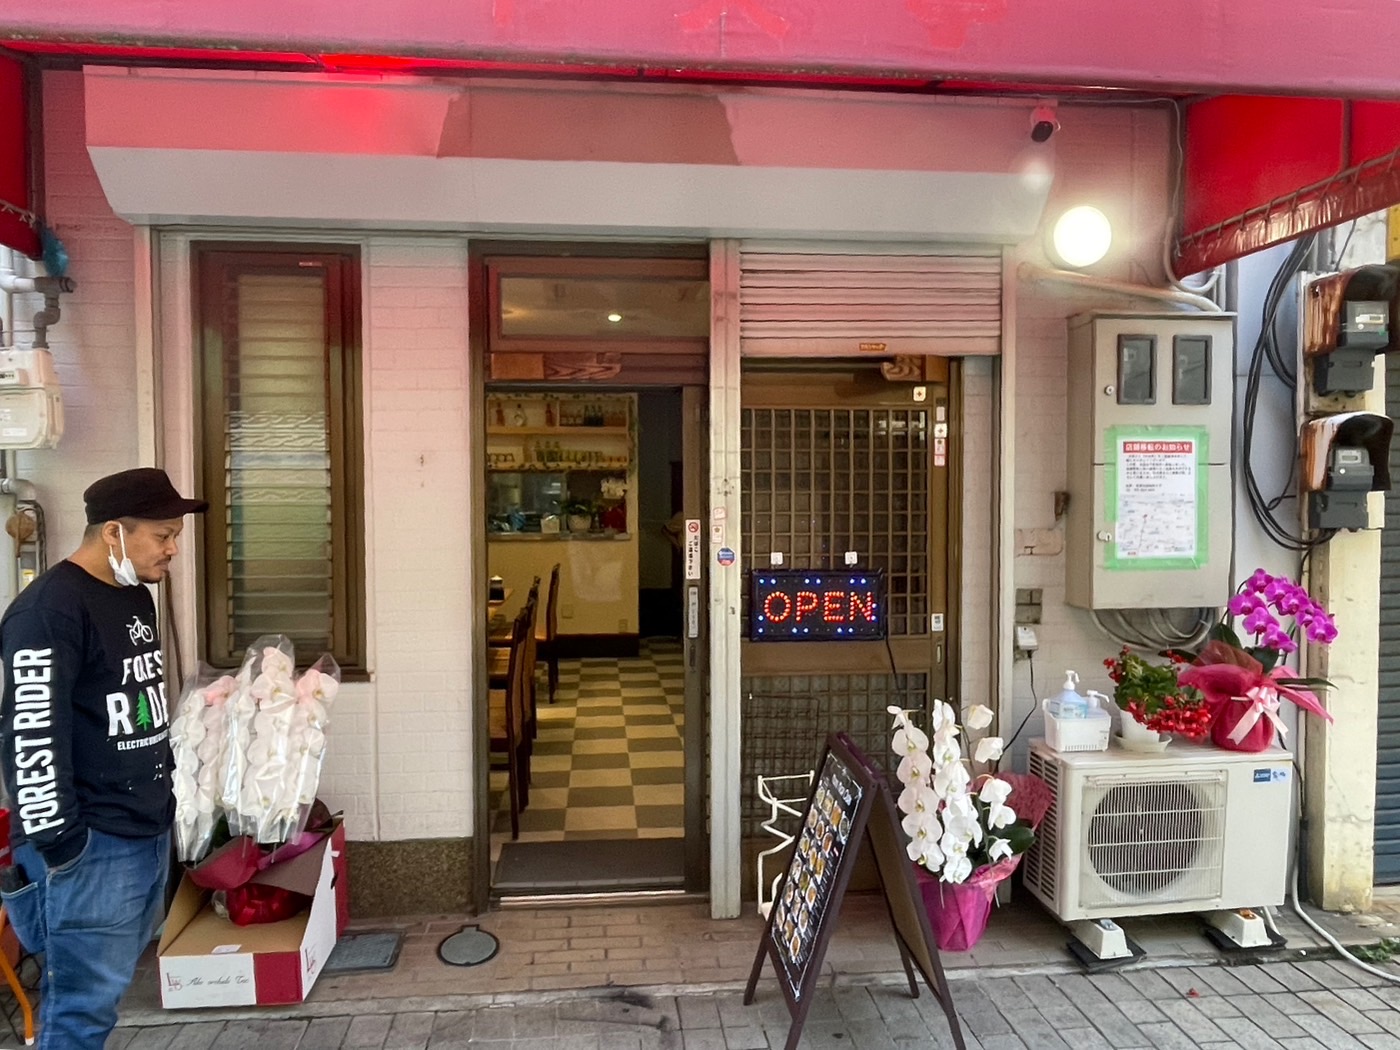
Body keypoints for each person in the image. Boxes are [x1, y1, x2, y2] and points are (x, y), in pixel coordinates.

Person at [0, 467, 207, 1049]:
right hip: (91, 845)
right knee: (80, 1010)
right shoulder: (48, 613)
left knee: (102, 997)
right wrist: (64, 845)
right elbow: (30, 736)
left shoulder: (134, 596)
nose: (172, 549)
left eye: (175, 536)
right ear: (114, 531)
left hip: (143, 829)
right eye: (162, 535)